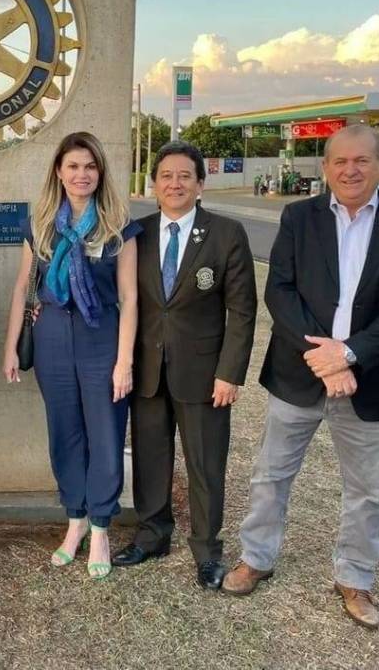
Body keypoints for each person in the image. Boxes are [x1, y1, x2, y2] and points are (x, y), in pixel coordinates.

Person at [221, 124, 379, 631]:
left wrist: (350, 354)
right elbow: (280, 290)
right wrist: (322, 357)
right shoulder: (300, 217)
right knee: (271, 474)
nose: (350, 170)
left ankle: (355, 577)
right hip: (299, 372)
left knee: (366, 489)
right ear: (326, 167)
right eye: (340, 161)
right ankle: (257, 557)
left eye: (362, 160)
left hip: (370, 379)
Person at [111, 141, 256, 590]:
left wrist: (229, 373)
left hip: (204, 374)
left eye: (184, 176)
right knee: (150, 458)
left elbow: (242, 310)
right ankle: (152, 535)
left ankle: (207, 550)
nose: (175, 184)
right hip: (148, 369)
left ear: (200, 184)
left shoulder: (226, 234)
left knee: (205, 464)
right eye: (166, 176)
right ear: (153, 185)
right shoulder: (136, 234)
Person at [3, 131, 139, 580]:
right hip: (52, 339)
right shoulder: (40, 225)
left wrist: (124, 361)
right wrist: (10, 347)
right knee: (65, 433)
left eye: (90, 166)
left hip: (102, 339)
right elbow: (23, 287)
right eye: (74, 166)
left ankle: (100, 527)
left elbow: (129, 297)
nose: (82, 174)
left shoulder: (117, 226)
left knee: (105, 434)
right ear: (59, 173)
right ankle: (75, 520)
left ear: (100, 172)